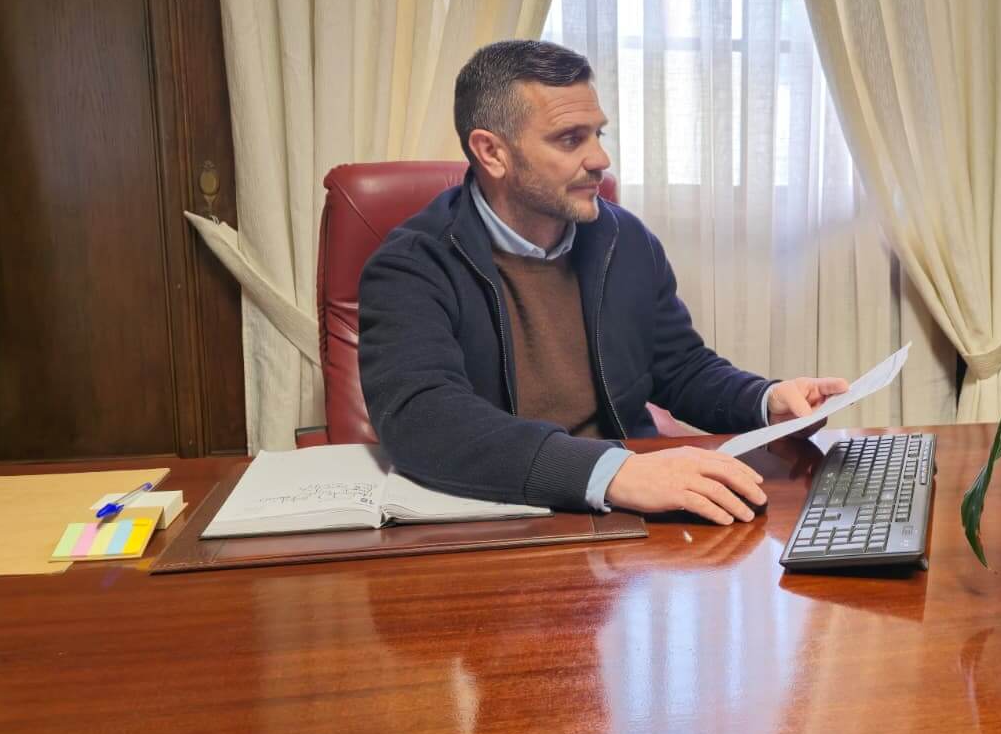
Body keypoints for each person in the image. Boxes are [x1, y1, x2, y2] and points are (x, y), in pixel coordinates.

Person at [358, 40, 848, 525]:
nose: (600, 159)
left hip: (633, 508)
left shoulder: (624, 238)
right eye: (571, 139)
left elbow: (679, 368)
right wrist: (612, 472)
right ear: (492, 152)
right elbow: (424, 418)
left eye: (598, 134)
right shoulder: (411, 265)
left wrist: (765, 401)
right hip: (505, 516)